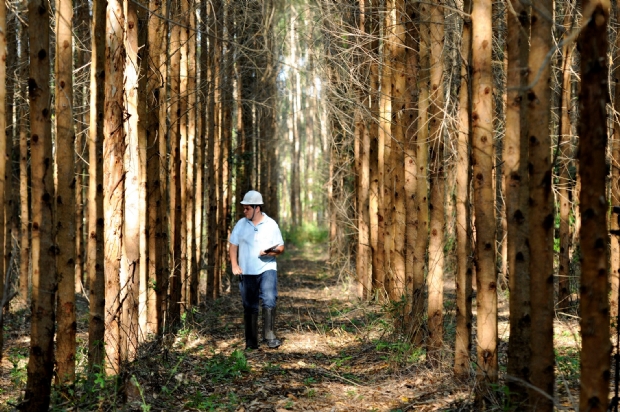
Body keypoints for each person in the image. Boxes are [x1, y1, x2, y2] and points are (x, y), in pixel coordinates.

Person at [229, 190, 285, 350]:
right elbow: (233, 246)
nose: (244, 211)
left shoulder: (271, 224)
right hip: (246, 271)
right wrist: (234, 265)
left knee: (269, 298)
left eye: (247, 208)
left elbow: (281, 247)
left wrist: (269, 252)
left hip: (267, 268)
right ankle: (251, 342)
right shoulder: (240, 224)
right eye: (244, 208)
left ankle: (270, 336)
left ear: (257, 208)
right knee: (249, 305)